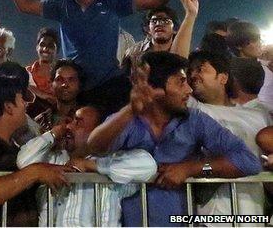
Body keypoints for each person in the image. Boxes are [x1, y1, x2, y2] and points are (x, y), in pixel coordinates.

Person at [0, 0, 177, 114]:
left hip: (112, 85)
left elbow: (155, 0)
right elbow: (25, 5)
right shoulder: (62, 5)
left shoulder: (113, 2)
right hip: (77, 89)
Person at [87, 51, 261, 227]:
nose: (189, 90)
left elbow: (248, 161)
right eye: (181, 82)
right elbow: (95, 147)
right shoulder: (129, 119)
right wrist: (131, 109)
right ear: (155, 88)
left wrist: (191, 169)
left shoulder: (194, 120)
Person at [0, 75, 73, 226]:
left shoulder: (10, 145)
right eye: (21, 100)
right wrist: (34, 173)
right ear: (8, 107)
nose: (26, 106)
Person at [17, 105, 157, 226]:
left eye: (78, 123)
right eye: (70, 122)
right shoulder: (53, 160)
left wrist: (90, 165)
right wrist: (53, 133)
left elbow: (148, 166)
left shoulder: (109, 163)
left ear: (97, 132)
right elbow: (23, 161)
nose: (69, 127)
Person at [188, 50, 270, 222]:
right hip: (213, 217)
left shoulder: (259, 114)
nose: (193, 75)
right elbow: (177, 59)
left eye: (200, 69)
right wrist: (190, 20)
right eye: (190, 72)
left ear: (223, 78)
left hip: (254, 213)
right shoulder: (195, 111)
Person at [227, 21, 273, 113]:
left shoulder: (265, 65)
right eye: (254, 40)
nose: (259, 43)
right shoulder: (233, 71)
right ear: (238, 45)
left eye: (259, 39)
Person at [35, 58, 84, 131]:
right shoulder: (40, 121)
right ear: (51, 84)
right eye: (59, 79)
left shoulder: (86, 119)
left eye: (71, 80)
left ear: (79, 85)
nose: (65, 85)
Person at [25, 27, 58, 115]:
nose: (45, 48)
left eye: (50, 45)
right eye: (42, 44)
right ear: (37, 47)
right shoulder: (27, 73)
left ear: (57, 49)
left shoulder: (60, 75)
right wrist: (46, 96)